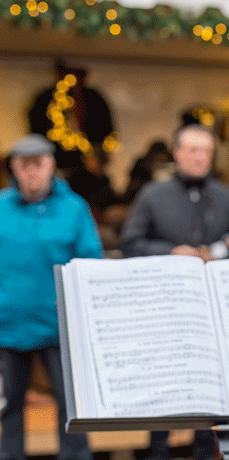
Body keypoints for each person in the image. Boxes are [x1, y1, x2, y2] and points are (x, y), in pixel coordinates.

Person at [120, 124, 229, 460]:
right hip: (165, 308)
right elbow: (130, 243)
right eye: (192, 149)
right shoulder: (152, 195)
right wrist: (171, 252)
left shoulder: (227, 196)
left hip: (211, 311)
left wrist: (216, 252)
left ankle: (205, 452)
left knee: (207, 386)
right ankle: (157, 451)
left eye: (205, 151)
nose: (199, 157)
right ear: (177, 153)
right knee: (162, 385)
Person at [0, 134, 102, 460]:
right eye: (24, 165)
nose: (31, 172)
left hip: (61, 325)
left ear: (51, 165)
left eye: (38, 164)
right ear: (14, 168)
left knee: (70, 404)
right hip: (9, 324)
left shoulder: (73, 208)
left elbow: (90, 261)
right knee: (9, 406)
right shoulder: (1, 207)